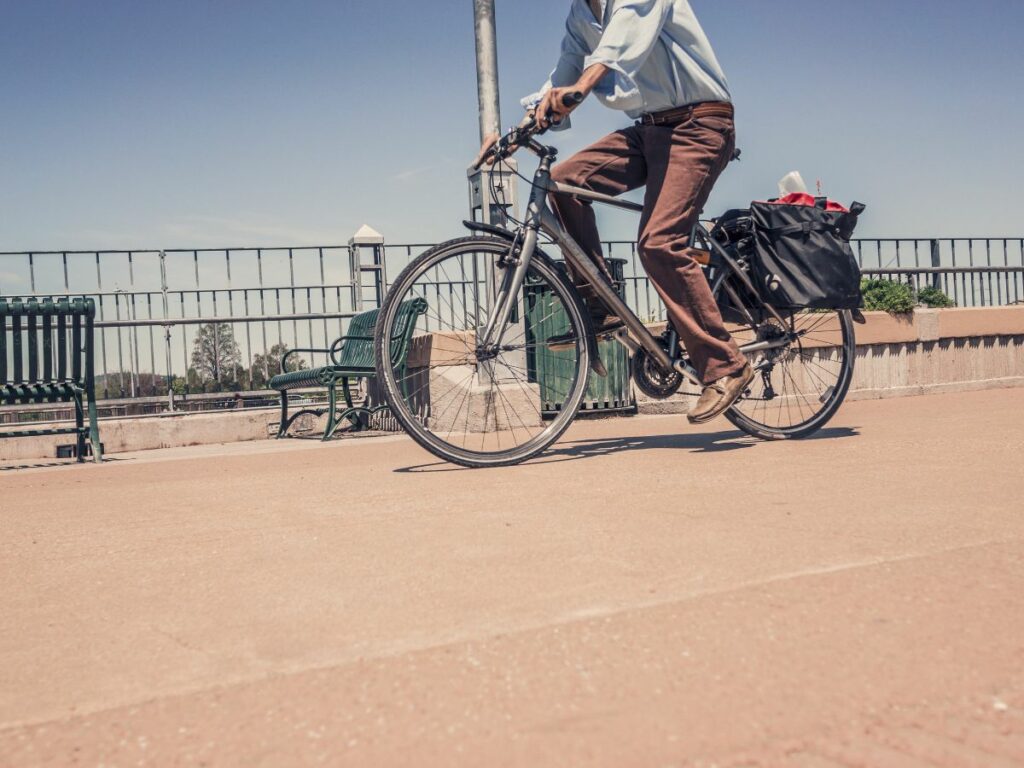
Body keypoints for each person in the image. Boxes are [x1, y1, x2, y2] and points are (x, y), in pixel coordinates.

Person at [479, 0, 753, 424]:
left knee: (660, 243)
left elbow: (618, 44)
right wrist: (515, 134)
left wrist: (583, 87)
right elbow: (563, 74)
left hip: (700, 124)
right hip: (651, 128)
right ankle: (599, 307)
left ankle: (725, 366)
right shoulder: (580, 16)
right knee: (566, 182)